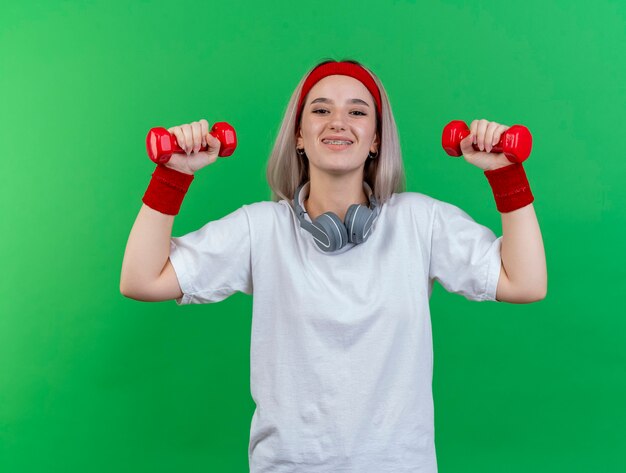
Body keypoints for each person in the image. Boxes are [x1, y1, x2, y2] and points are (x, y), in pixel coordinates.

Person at [120, 59, 547, 472]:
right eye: (320, 109)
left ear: (376, 138)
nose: (338, 121)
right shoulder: (261, 228)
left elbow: (525, 283)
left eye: (357, 111)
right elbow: (142, 279)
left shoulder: (420, 221)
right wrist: (173, 173)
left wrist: (505, 174)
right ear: (299, 136)